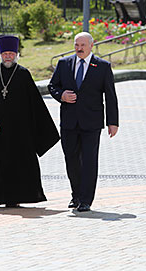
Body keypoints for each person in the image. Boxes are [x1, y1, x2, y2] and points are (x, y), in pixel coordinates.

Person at [0, 35, 59, 208]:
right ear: (0, 55)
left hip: (17, 132)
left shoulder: (23, 74)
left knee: (15, 165)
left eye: (11, 53)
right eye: (5, 53)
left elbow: (35, 105)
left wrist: (39, 132)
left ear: (17, 55)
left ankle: (12, 197)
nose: (8, 56)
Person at [48, 32, 119, 212]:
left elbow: (110, 96)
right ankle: (76, 195)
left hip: (92, 123)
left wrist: (113, 122)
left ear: (91, 46)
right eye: (76, 45)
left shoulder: (102, 66)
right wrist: (61, 95)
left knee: (89, 160)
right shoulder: (64, 64)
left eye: (83, 45)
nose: (79, 49)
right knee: (71, 159)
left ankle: (86, 199)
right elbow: (52, 86)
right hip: (69, 123)